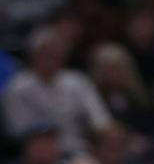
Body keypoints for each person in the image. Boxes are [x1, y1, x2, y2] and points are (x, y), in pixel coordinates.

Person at [2, 25, 112, 154]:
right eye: (45, 54)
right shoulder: (17, 87)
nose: (50, 59)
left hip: (79, 151)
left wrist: (106, 132)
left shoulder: (77, 81)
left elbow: (100, 118)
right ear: (34, 55)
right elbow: (18, 130)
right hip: (35, 154)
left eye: (55, 54)